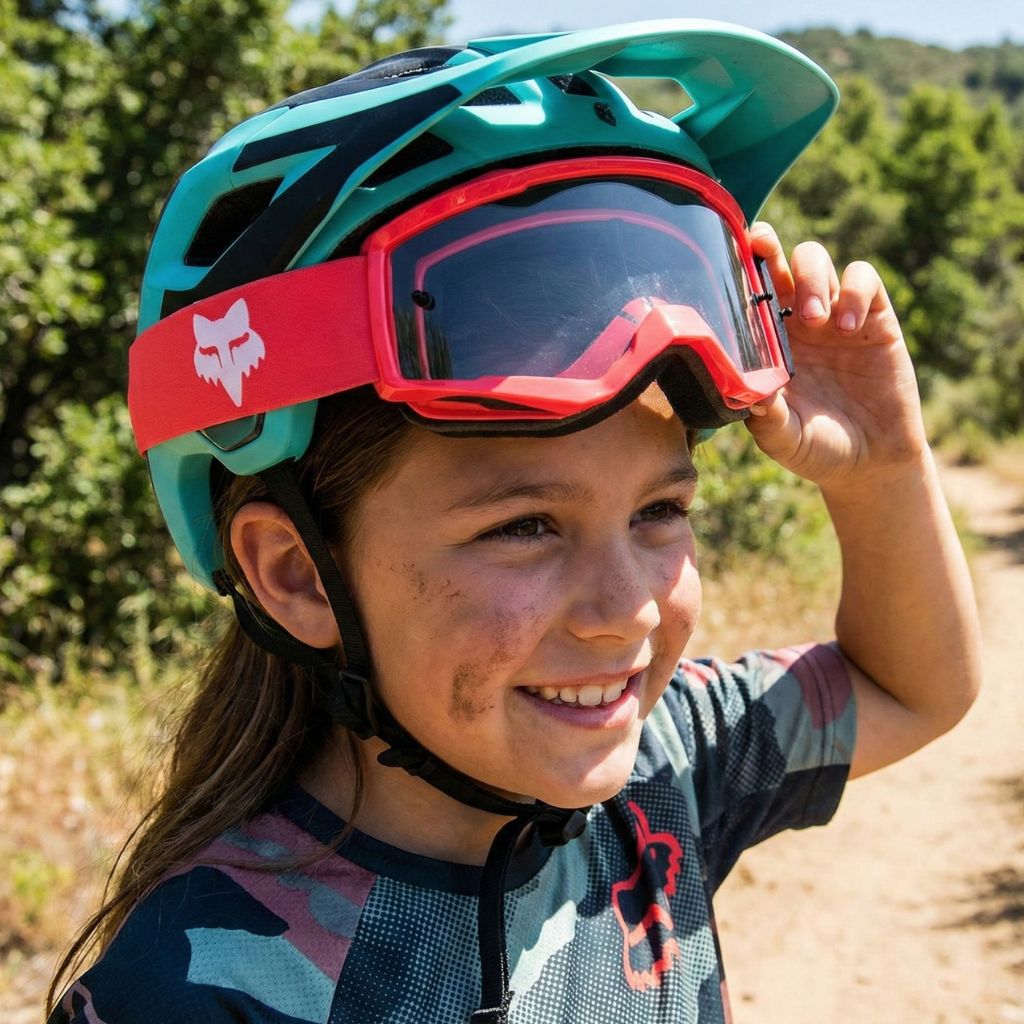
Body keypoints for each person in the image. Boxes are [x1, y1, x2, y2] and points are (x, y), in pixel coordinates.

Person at [47, 19, 981, 1024]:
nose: (626, 610)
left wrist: (885, 465)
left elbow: (911, 687)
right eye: (524, 527)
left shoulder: (657, 767)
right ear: (296, 574)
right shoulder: (196, 990)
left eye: (661, 511)